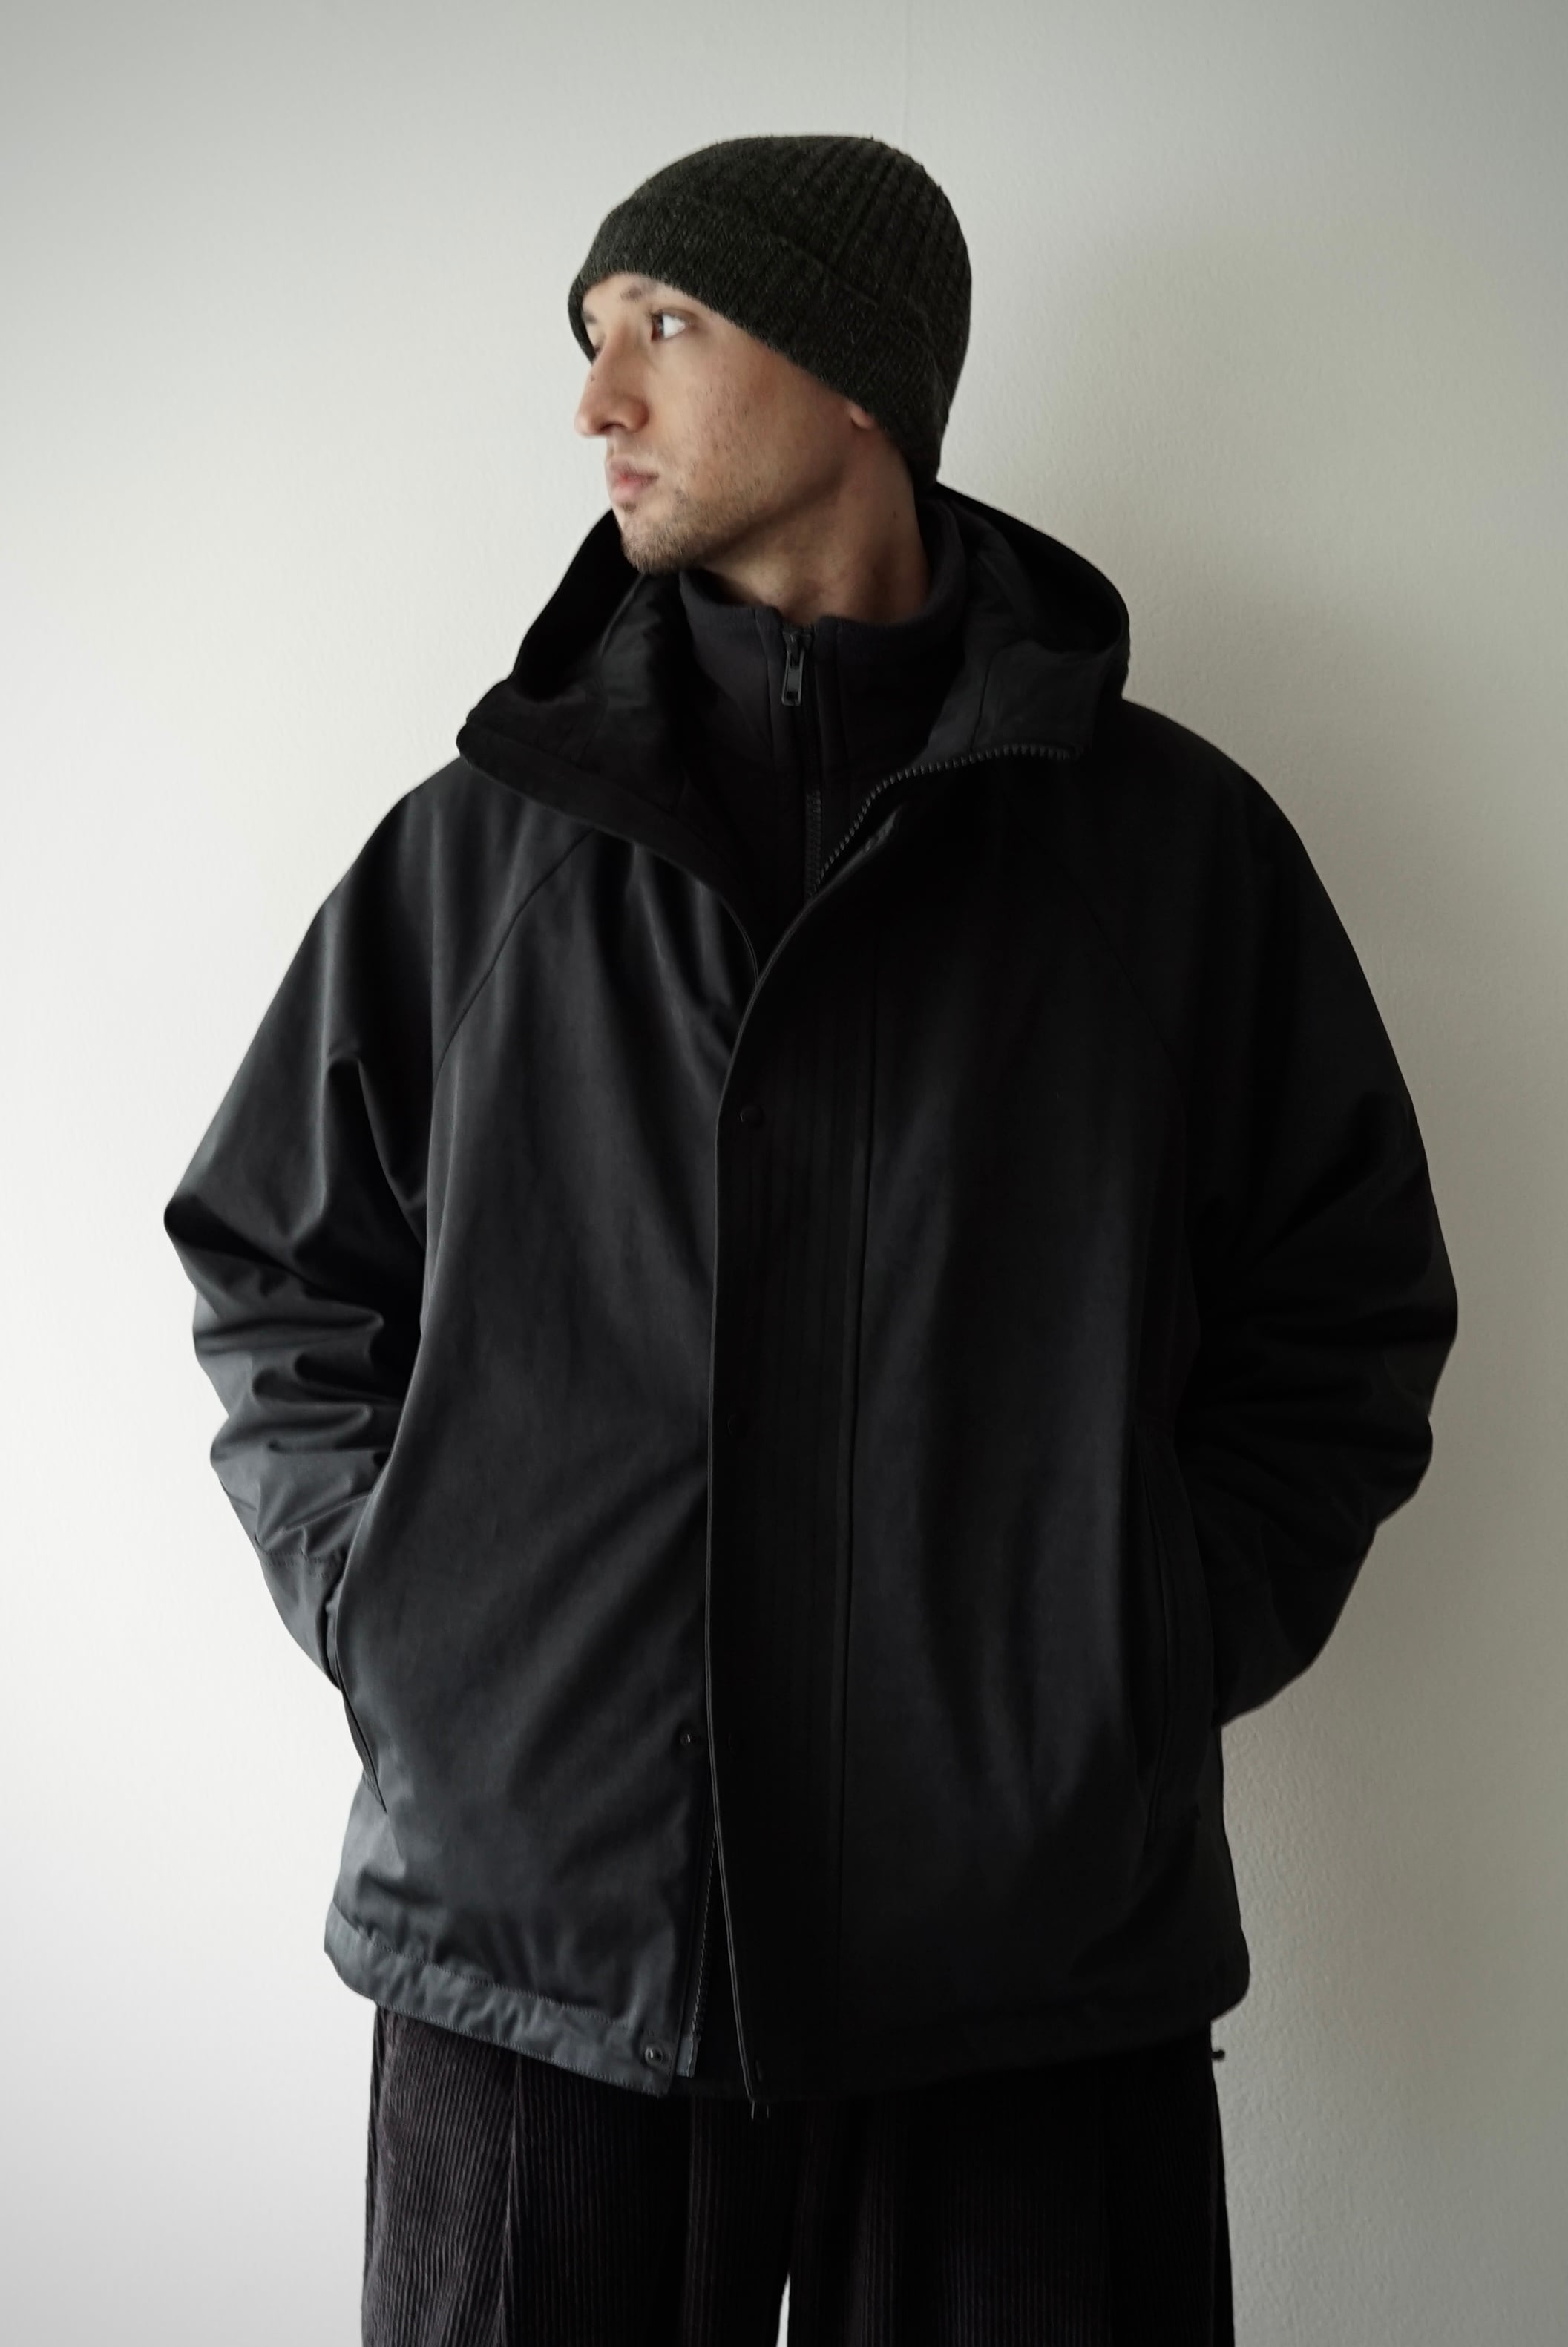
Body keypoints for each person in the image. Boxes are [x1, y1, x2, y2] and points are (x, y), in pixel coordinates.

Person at [164, 133, 1458, 2345]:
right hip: (543, 1944)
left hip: (1023, 1960)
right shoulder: (481, 858)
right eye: (594, 341)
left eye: (663, 328)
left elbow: (1342, 1309)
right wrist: (405, 1618)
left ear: (862, 375)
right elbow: (275, 1261)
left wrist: (1137, 1645)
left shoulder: (1163, 858)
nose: (599, 402)